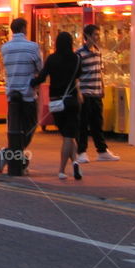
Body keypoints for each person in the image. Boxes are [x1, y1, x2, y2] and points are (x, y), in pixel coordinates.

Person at [31, 31, 84, 180]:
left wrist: (30, 83)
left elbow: (41, 77)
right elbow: (80, 75)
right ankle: (74, 163)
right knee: (69, 135)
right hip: (72, 101)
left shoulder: (52, 59)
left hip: (56, 101)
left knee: (67, 135)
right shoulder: (77, 59)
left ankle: (62, 169)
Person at [0, 18, 42, 176]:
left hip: (11, 94)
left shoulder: (5, 48)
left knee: (15, 129)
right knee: (30, 126)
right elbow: (40, 67)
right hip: (28, 94)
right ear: (24, 28)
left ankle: (11, 156)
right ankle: (8, 153)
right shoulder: (32, 47)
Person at [76, 24, 121, 163]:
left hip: (96, 93)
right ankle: (81, 151)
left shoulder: (98, 52)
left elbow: (100, 72)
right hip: (85, 93)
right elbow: (75, 76)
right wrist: (78, 93)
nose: (98, 37)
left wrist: (102, 88)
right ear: (87, 36)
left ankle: (102, 150)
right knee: (83, 124)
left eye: (98, 34)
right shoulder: (79, 54)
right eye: (95, 34)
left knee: (97, 123)